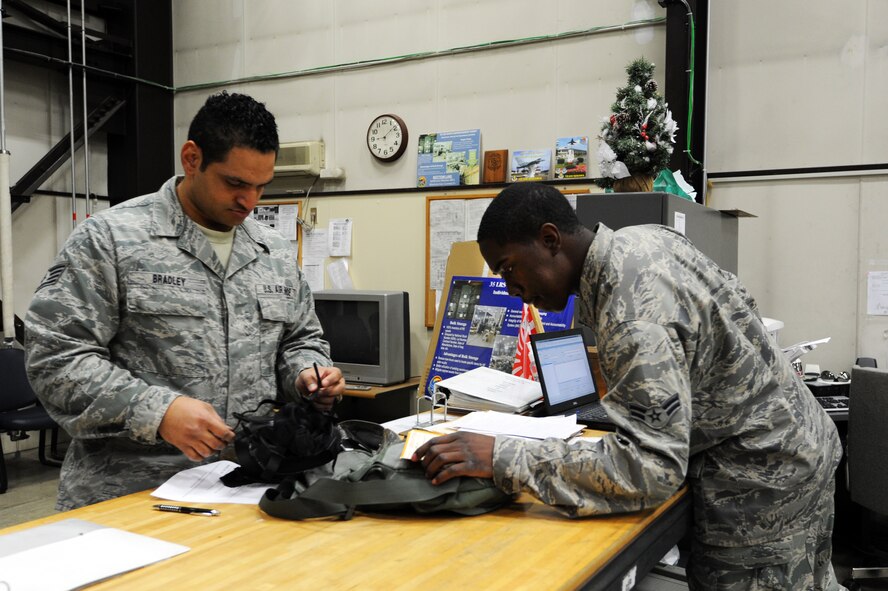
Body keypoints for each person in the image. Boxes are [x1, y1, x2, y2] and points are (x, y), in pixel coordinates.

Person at [415, 183, 843, 590]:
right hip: (796, 448)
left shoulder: (630, 313)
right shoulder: (644, 241)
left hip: (761, 487)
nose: (512, 290)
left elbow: (652, 468)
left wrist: (502, 456)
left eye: (510, 269)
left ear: (549, 240)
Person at [25, 91, 344, 510]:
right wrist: (158, 411)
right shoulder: (111, 240)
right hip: (132, 497)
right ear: (191, 158)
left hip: (246, 491)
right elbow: (55, 359)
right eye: (235, 183)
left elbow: (300, 339)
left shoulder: (274, 253)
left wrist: (307, 375)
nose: (250, 202)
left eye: (261, 186)